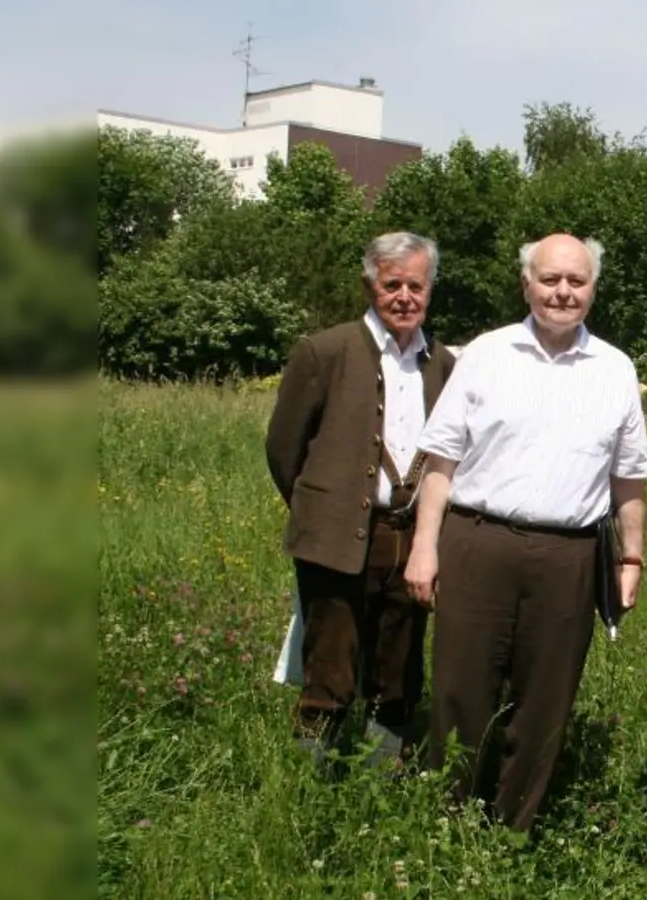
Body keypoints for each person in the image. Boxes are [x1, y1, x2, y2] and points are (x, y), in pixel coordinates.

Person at [403, 232, 647, 834]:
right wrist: (422, 548)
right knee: (461, 695)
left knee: (544, 706)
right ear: (526, 284)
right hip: (477, 543)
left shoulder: (615, 368)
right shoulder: (486, 354)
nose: (562, 292)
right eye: (550, 279)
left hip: (569, 558)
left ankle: (512, 835)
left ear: (593, 289)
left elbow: (630, 480)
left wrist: (632, 560)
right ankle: (447, 827)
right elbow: (440, 464)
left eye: (576, 281)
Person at [264, 230, 457, 767]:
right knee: (329, 668)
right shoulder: (322, 352)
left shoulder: (442, 364)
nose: (404, 297)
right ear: (370, 286)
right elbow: (284, 449)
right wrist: (325, 508)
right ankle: (312, 785)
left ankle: (380, 784)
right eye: (392, 284)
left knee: (398, 672)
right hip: (335, 539)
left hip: (412, 540)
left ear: (430, 290)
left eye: (415, 286)